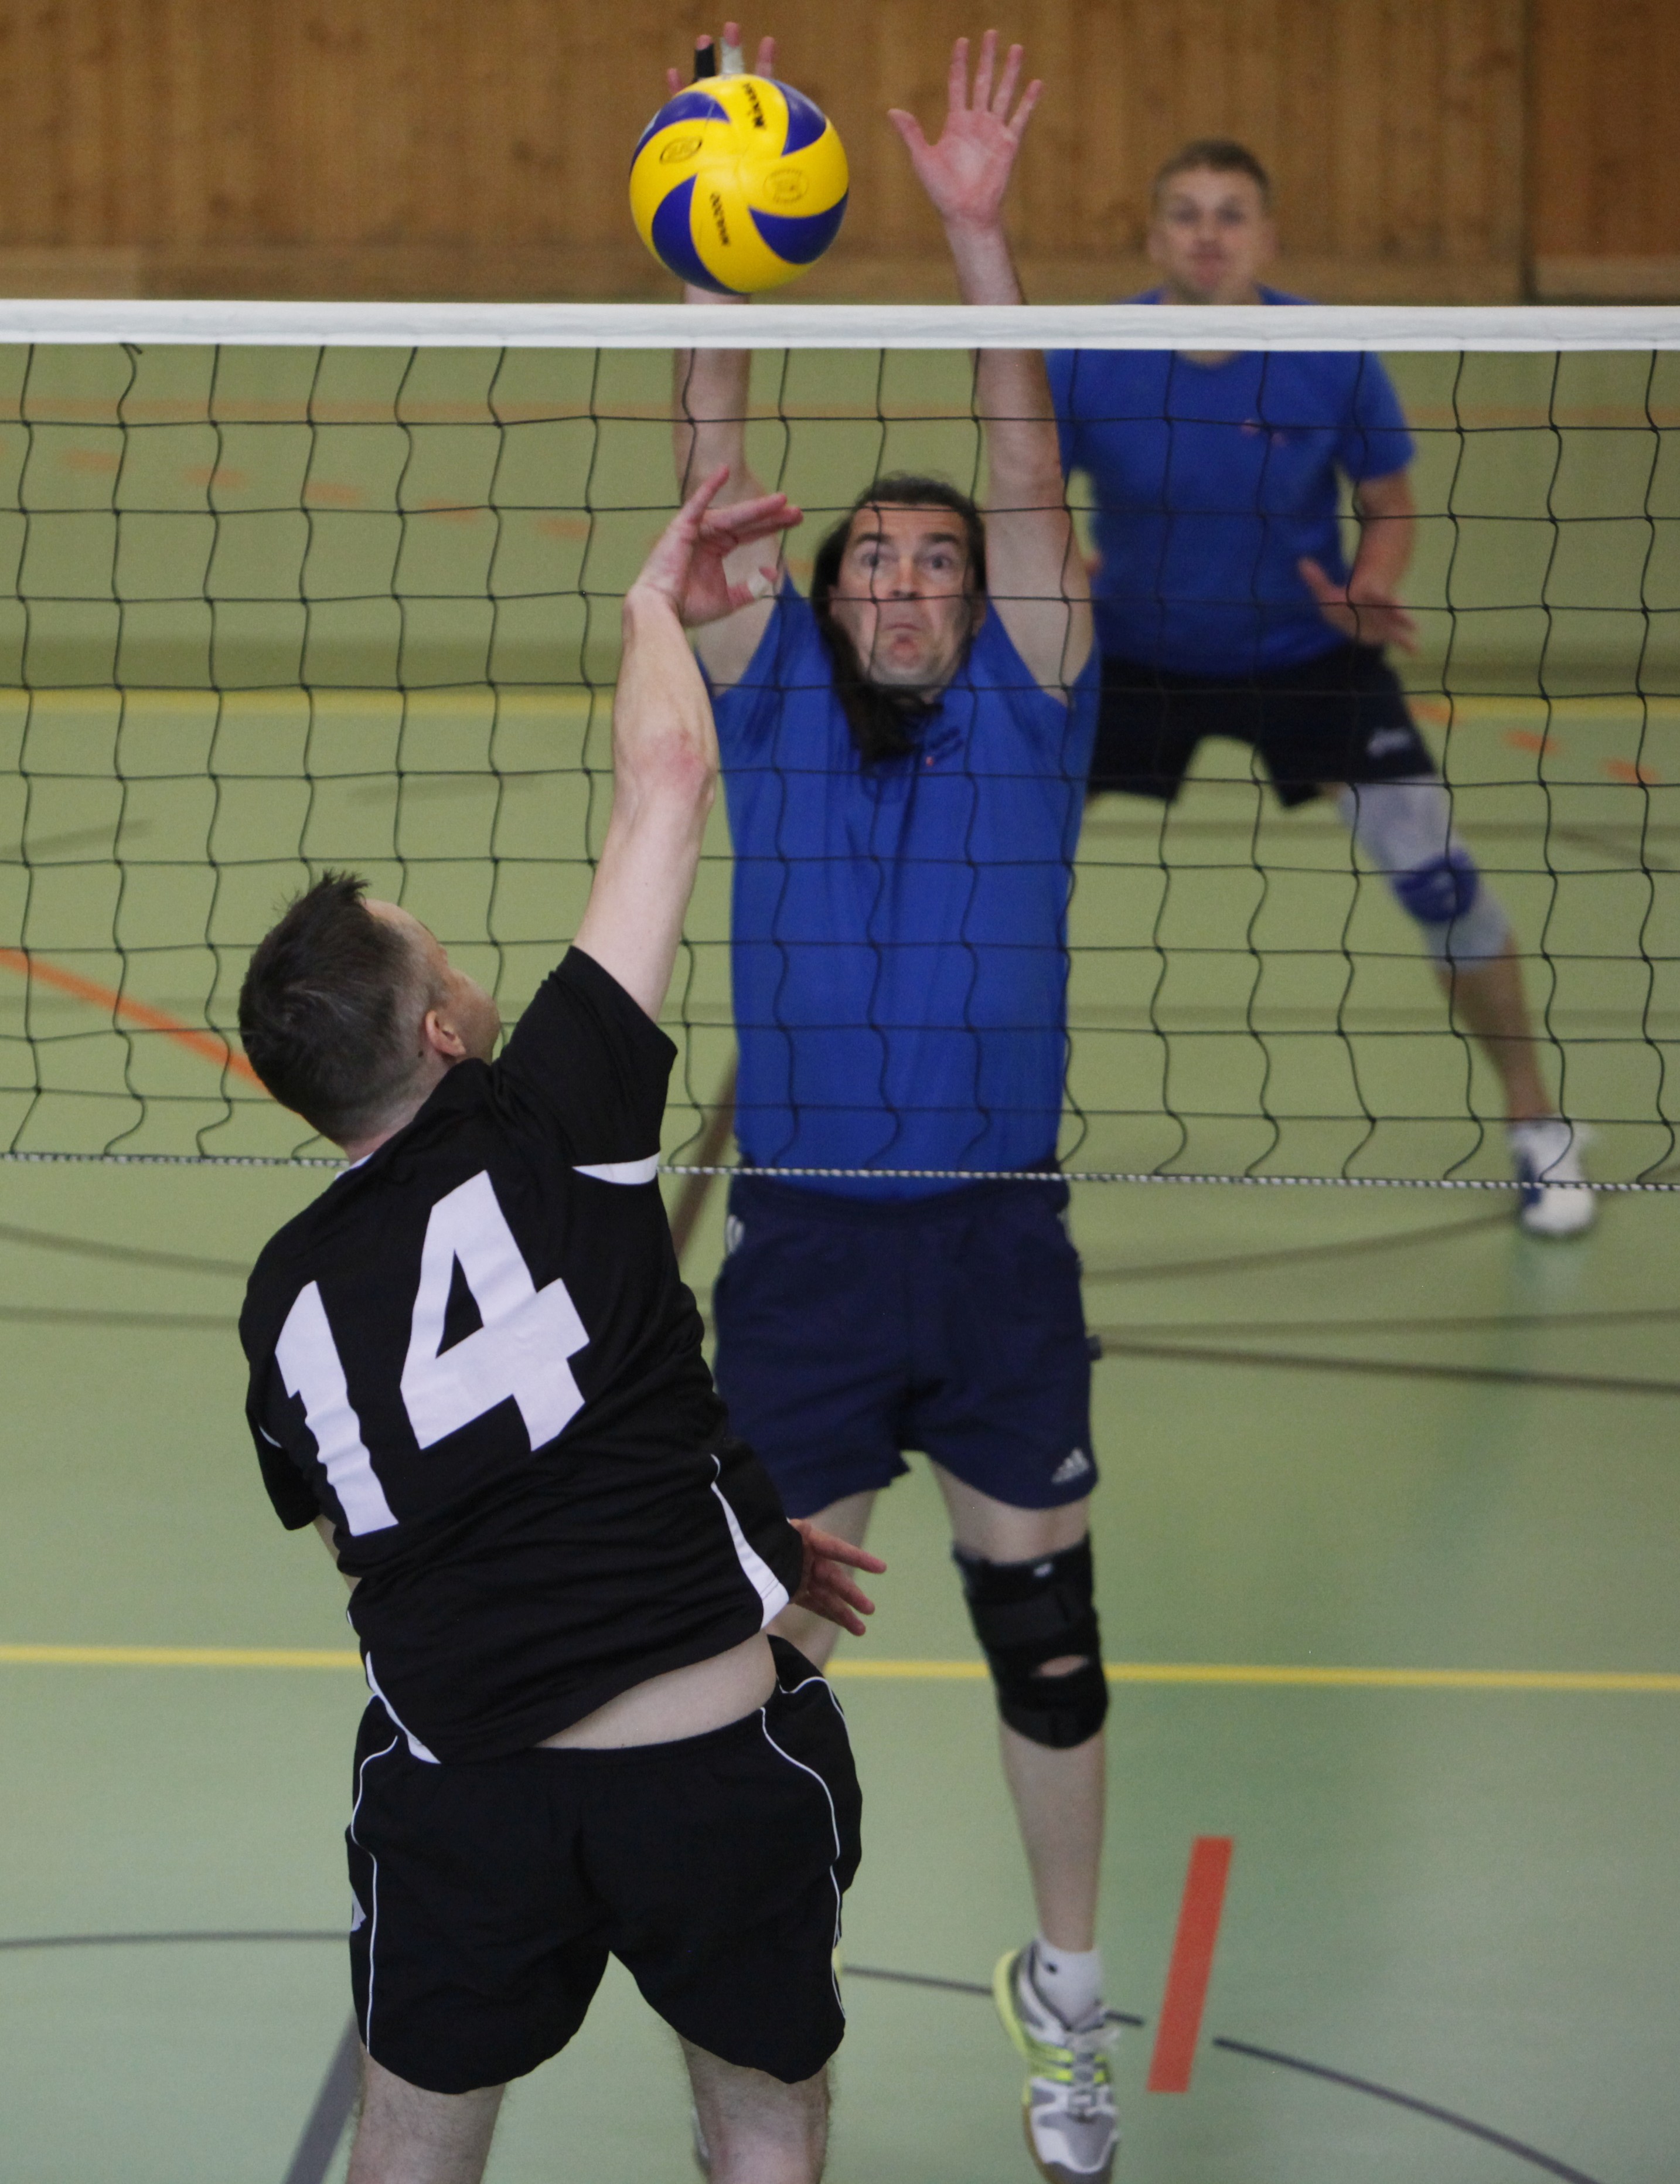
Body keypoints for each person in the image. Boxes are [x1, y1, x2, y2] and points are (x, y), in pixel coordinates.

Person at [236, 471, 888, 2184]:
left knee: (408, 2142)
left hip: (468, 1795)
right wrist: (649, 602)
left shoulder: (283, 1303)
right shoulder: (557, 1122)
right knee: (764, 2115)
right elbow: (666, 778)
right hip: (705, 1763)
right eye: (442, 960)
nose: (465, 968)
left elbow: (368, 1529)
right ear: (446, 1034)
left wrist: (722, 1518)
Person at [670, 25, 1116, 2184]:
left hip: (998, 1244)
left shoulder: (1033, 705)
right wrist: (708, 261)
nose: (906, 581)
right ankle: (760, 2005)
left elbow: (1026, 479)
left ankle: (1068, 1997)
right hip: (809, 1261)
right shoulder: (765, 705)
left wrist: (974, 237)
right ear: (827, 591)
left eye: (935, 562)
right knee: (747, 1655)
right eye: (873, 562)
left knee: (1044, 1633)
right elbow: (711, 466)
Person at [1049, 138, 1595, 1236]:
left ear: (1268, 235)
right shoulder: (1087, 355)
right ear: (1153, 237)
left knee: (1441, 881)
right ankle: (961, 1131)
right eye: (1187, 213)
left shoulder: (1329, 353)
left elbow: (1389, 503)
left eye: (1231, 213)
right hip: (1132, 659)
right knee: (990, 866)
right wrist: (1061, 577)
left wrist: (1368, 584)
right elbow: (1028, 497)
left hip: (1308, 654)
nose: (1209, 234)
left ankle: (1539, 1121)